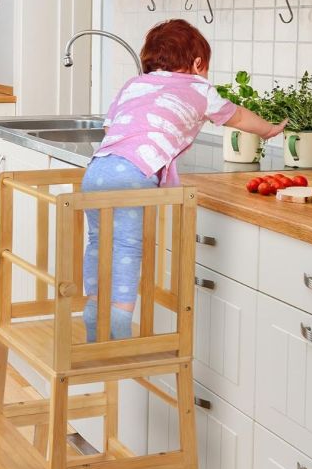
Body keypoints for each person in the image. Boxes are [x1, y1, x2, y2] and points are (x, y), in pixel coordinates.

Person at [81, 19, 287, 342]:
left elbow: (112, 131)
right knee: (126, 246)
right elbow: (241, 117)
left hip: (97, 170)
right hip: (137, 173)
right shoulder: (201, 90)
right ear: (198, 63)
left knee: (99, 242)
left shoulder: (134, 83)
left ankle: (94, 308)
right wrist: (270, 130)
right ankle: (120, 319)